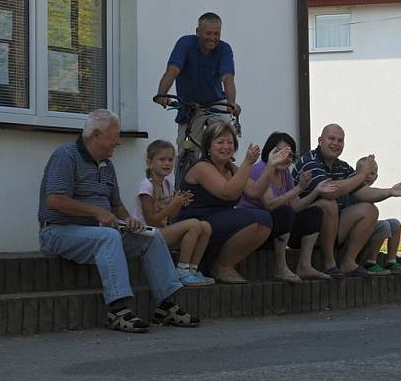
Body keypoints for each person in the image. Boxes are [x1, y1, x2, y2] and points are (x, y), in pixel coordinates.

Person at [38, 109, 199, 333]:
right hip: (58, 232)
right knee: (109, 237)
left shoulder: (107, 165)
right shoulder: (65, 156)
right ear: (96, 135)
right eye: (115, 135)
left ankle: (166, 306)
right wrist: (95, 211)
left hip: (98, 233)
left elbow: (116, 205)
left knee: (151, 236)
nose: (119, 141)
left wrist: (130, 220)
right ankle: (117, 310)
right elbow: (54, 200)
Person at [292, 124, 401, 279]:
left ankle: (348, 262)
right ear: (320, 140)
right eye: (331, 138)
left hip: (332, 230)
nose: (336, 143)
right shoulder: (309, 160)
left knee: (370, 209)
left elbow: (364, 192)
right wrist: (361, 176)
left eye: (340, 140)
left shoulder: (342, 166)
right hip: (301, 230)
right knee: (328, 203)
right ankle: (329, 264)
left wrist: (389, 191)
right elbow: (330, 191)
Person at [175, 121, 289, 283]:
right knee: (255, 218)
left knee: (265, 220)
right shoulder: (202, 167)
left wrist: (270, 166)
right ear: (208, 146)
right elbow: (227, 192)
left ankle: (224, 265)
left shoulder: (232, 168)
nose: (226, 147)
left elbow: (255, 192)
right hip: (197, 223)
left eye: (230, 142)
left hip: (220, 221)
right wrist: (248, 163)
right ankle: (216, 266)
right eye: (220, 142)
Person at [237, 132, 336, 282]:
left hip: (276, 226)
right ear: (270, 152)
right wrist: (299, 188)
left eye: (289, 155)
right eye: (280, 153)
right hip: (257, 227)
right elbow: (270, 205)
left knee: (315, 212)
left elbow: (296, 206)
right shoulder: (260, 169)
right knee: (284, 211)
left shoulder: (284, 173)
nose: (286, 158)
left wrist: (315, 191)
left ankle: (305, 265)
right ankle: (280, 267)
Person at [154, 12, 241, 173]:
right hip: (190, 106)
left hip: (216, 102)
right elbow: (173, 70)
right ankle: (183, 187)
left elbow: (228, 78)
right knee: (186, 150)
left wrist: (231, 103)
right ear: (197, 31)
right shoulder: (185, 44)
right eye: (208, 33)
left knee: (226, 141)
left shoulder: (224, 49)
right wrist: (162, 94)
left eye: (217, 34)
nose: (213, 38)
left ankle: (226, 175)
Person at [137, 140, 214, 287]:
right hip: (146, 237)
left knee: (205, 227)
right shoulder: (146, 185)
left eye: (170, 160)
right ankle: (182, 271)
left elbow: (171, 217)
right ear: (149, 163)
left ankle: (192, 269)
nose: (167, 163)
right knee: (194, 224)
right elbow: (151, 220)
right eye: (162, 159)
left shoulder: (167, 184)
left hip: (161, 233)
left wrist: (179, 204)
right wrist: (173, 204)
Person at [352, 158, 401, 276]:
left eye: (372, 173)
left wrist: (391, 191)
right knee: (383, 225)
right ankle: (370, 262)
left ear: (376, 177)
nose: (368, 176)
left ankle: (391, 261)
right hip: (353, 231)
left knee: (395, 223)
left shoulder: (371, 191)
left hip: (366, 228)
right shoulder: (353, 188)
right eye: (365, 172)